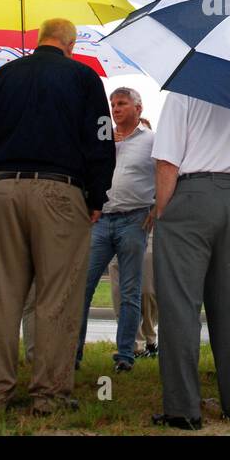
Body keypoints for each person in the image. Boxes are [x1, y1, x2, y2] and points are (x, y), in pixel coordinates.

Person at [0, 18, 115, 415]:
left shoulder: (4, 76)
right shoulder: (84, 79)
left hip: (4, 189)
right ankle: (48, 394)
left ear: (38, 40)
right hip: (60, 189)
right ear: (70, 44)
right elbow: (101, 141)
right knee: (57, 295)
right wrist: (97, 195)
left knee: (1, 294)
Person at [150, 92, 230, 430]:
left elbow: (166, 161)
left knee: (180, 305)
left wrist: (163, 210)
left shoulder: (184, 92)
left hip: (191, 195)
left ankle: (182, 410)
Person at [76, 87, 153, 372]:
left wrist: (157, 208)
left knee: (130, 290)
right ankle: (73, 353)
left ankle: (125, 354)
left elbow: (167, 172)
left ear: (138, 108)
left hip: (134, 219)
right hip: (101, 218)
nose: (116, 108)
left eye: (122, 103)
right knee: (83, 286)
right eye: (113, 104)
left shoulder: (151, 142)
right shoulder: (102, 138)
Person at [108, 235, 157, 357]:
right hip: (114, 236)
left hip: (146, 232)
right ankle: (135, 346)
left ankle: (150, 339)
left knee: (147, 293)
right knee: (119, 295)